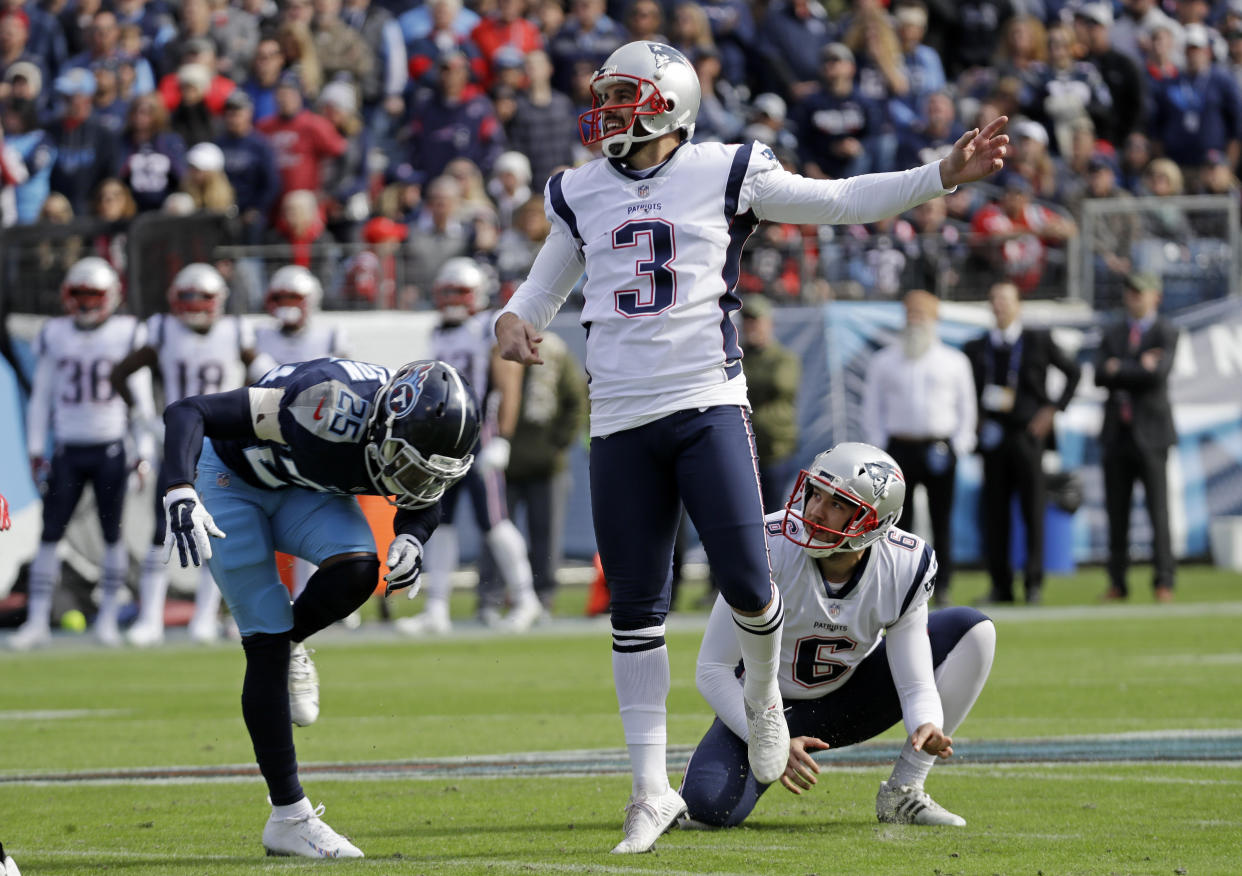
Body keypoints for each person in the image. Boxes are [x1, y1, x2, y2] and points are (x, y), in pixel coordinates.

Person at [493, 39, 1008, 854]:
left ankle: (766, 700)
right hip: (620, 414)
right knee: (634, 611)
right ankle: (647, 790)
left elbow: (838, 200)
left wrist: (935, 177)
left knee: (747, 581)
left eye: (624, 95)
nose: (608, 110)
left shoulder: (727, 169)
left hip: (704, 399)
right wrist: (513, 320)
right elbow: (542, 285)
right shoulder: (577, 190)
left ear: (668, 105)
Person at [158, 357, 479, 858]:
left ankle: (293, 642)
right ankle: (289, 817)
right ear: (383, 425)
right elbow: (188, 410)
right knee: (263, 642)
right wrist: (178, 487)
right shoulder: (323, 405)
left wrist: (413, 539)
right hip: (229, 481)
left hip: (300, 489)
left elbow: (425, 493)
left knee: (357, 571)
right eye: (407, 460)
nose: (411, 479)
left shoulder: (419, 432)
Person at [679, 442, 996, 828]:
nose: (814, 510)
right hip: (764, 705)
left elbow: (914, 682)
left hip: (849, 699)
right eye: (814, 493)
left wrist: (926, 723)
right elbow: (713, 669)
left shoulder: (905, 564)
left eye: (836, 503)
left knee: (974, 630)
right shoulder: (767, 546)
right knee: (705, 809)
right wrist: (772, 740)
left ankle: (904, 791)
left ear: (874, 520)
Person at [111, 263, 275, 647]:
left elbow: (268, 375)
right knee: (161, 527)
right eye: (188, 297)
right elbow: (121, 373)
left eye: (203, 298)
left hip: (221, 446)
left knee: (217, 529)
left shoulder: (236, 331)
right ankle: (150, 618)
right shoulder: (163, 330)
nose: (196, 306)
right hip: (181, 442)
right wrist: (141, 416)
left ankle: (205, 616)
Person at [12, 257, 156, 651]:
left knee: (112, 536)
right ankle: (38, 619)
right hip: (69, 450)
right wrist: (36, 449)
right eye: (81, 294)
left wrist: (142, 451)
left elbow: (140, 400)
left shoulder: (127, 332)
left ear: (111, 295)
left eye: (94, 294)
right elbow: (40, 398)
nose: (88, 303)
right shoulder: (55, 333)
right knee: (49, 534)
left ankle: (108, 618)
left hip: (111, 447)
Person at [397, 257, 543, 635]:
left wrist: (503, 439)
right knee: (440, 525)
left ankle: (527, 599)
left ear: (477, 293)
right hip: (444, 444)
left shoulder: (486, 327)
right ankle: (437, 608)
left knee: (494, 523)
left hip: (480, 437)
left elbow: (507, 384)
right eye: (445, 292)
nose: (450, 300)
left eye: (458, 292)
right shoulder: (438, 332)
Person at [963, 282, 1081, 606]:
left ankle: (1033, 583)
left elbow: (1073, 373)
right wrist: (973, 420)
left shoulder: (1037, 340)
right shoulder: (977, 347)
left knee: (1032, 510)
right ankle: (1000, 584)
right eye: (994, 300)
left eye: (1005, 300)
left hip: (1028, 437)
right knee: (995, 514)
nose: (999, 306)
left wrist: (1052, 410)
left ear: (1018, 305)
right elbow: (966, 391)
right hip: (993, 439)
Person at [862, 289, 975, 605]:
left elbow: (967, 408)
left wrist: (960, 445)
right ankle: (901, 584)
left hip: (940, 447)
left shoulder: (954, 361)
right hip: (900, 448)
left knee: (942, 519)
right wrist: (880, 449)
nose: (915, 320)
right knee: (898, 522)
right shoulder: (885, 361)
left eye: (921, 314)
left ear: (935, 319)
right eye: (910, 314)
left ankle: (945, 585)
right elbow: (873, 408)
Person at [254, 265, 351, 599]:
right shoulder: (259, 337)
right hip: (268, 440)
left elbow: (346, 389)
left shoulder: (330, 334)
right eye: (281, 297)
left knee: (317, 526)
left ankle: (318, 599)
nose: (287, 304)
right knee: (259, 524)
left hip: (316, 443)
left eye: (293, 297)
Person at [1095, 273, 1178, 603]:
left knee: (1158, 511)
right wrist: (1136, 366)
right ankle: (1118, 582)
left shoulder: (1165, 330)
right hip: (1118, 433)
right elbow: (1101, 374)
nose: (1134, 298)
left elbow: (1157, 374)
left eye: (1140, 292)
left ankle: (1164, 580)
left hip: (1152, 434)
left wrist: (1121, 369)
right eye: (1130, 292)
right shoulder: (1114, 330)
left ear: (1155, 296)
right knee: (1117, 513)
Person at [739, 295, 801, 514]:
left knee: (772, 514)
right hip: (742, 449)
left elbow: (780, 383)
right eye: (747, 321)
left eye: (756, 321)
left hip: (775, 449)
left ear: (769, 323)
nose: (751, 326)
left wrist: (745, 384)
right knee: (745, 511)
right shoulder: (738, 357)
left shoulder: (784, 357)